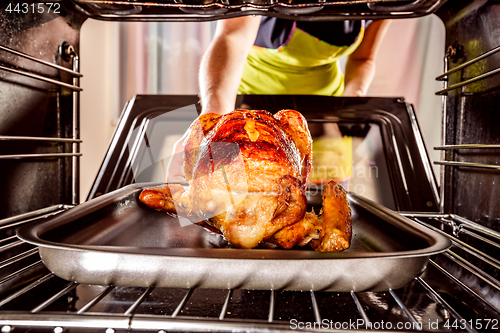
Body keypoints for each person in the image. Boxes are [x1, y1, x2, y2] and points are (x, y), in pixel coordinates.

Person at [167, 16, 390, 182]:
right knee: (241, 193)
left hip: (324, 107)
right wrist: (213, 121)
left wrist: (349, 107)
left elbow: (363, 57)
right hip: (250, 101)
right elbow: (231, 37)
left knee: (323, 199)